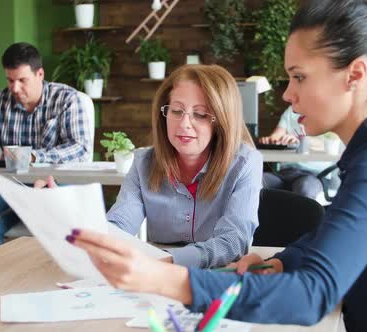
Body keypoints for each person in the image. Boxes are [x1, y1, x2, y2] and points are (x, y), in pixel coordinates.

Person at [64, 0, 367, 330]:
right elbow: (334, 233)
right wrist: (283, 259)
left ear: (355, 74)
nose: (288, 95)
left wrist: (166, 279)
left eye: (298, 77)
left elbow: (311, 296)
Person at [38, 64, 263, 268]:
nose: (184, 124)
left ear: (222, 121)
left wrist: (166, 259)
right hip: (155, 273)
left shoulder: (245, 163)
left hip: (217, 276)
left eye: (201, 114)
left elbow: (233, 241)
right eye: (176, 111)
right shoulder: (144, 162)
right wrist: (70, 216)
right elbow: (119, 225)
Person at [0, 42, 92, 245]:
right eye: (10, 80)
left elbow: (81, 148)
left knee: (66, 235)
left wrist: (35, 157)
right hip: (11, 186)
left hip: (56, 182)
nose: (15, 88)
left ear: (40, 74)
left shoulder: (68, 99)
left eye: (22, 80)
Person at [260, 105, 337, 199]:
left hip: (314, 175)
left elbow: (329, 142)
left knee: (304, 189)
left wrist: (300, 139)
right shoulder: (291, 110)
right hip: (285, 173)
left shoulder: (327, 110)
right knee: (254, 180)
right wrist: (271, 140)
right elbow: (277, 135)